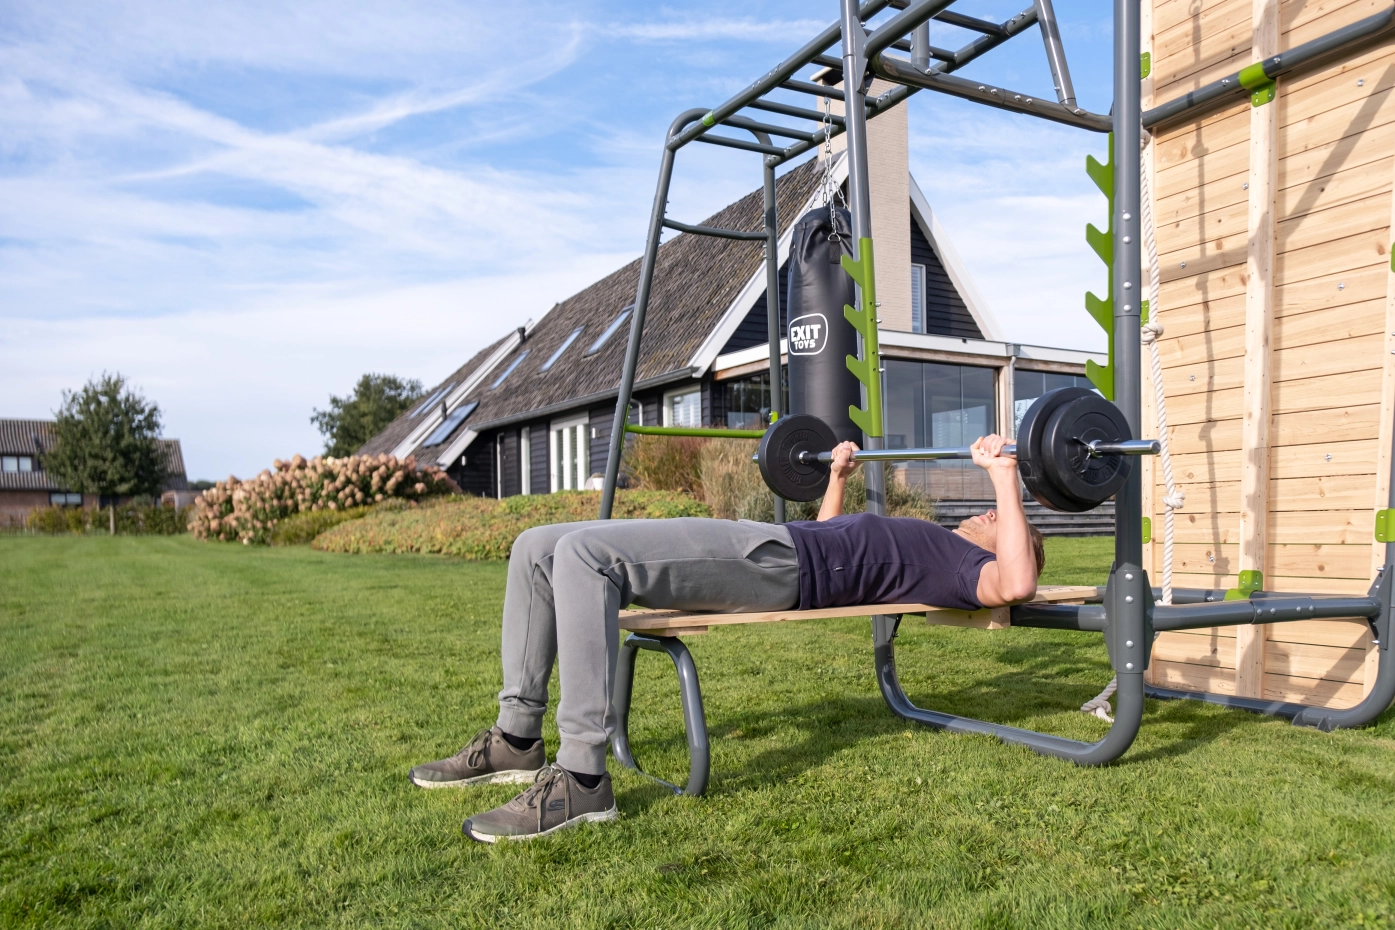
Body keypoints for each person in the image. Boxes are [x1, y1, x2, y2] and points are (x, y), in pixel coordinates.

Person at [411, 433, 1045, 842]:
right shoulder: (938, 542)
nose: (991, 514)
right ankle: (516, 738)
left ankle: (581, 779)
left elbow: (1016, 582)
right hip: (779, 545)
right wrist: (838, 478)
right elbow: (833, 537)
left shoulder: (964, 567)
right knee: (535, 545)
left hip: (772, 565)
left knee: (584, 555)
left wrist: (1004, 476)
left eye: (1003, 522)